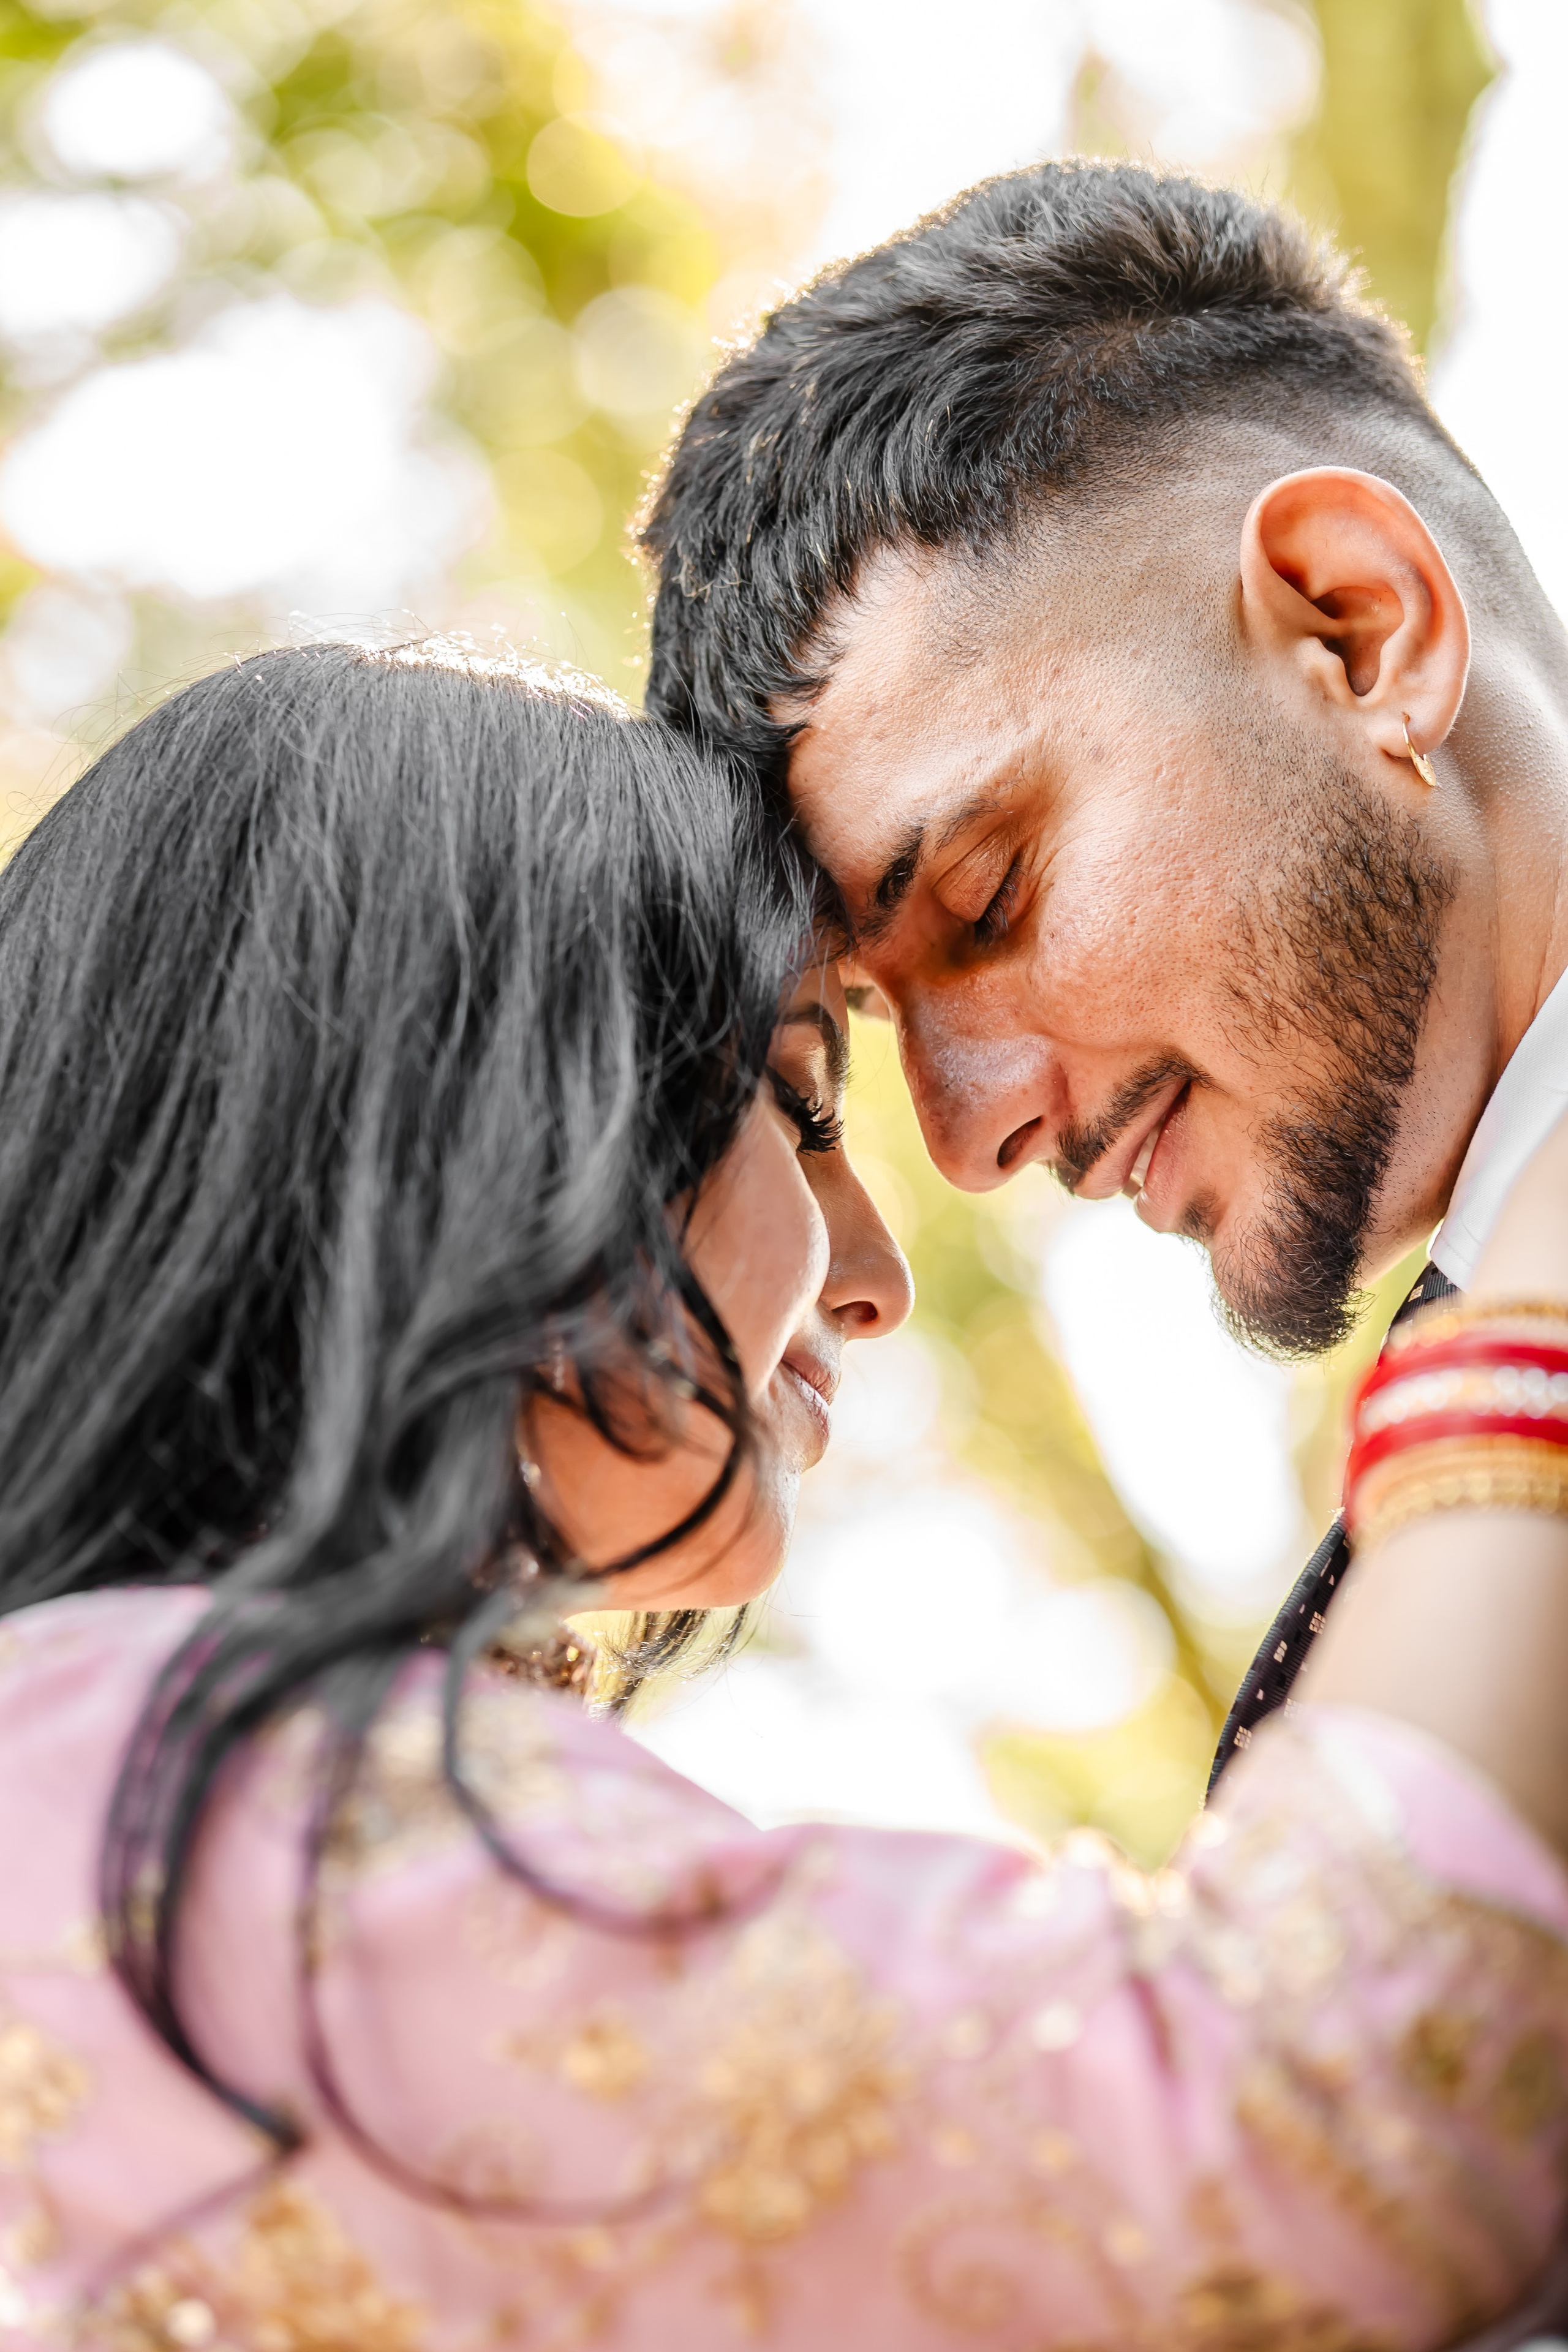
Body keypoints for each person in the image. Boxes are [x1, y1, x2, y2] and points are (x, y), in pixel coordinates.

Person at [4, 638, 1568, 2350]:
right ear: (476, 1116)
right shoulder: (183, 1798)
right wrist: (1538, 1289)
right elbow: (1304, 2127)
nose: (880, 1273)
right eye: (803, 1105)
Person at [640, 160, 1568, 1774]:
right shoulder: (1414, 1567)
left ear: (1359, 631)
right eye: (873, 1026)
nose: (968, 1141)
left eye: (992, 896)